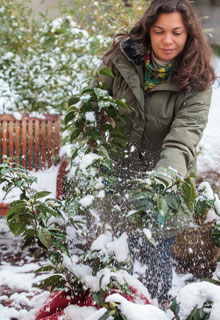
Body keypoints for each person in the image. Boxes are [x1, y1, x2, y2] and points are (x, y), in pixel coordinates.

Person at [93, 0, 216, 304]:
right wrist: (97, 153)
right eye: (159, 31)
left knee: (155, 260)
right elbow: (94, 106)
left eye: (177, 32)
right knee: (114, 260)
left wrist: (161, 183)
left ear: (189, 34)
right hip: (117, 177)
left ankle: (157, 308)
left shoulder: (197, 81)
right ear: (148, 30)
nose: (168, 40)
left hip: (164, 186)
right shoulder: (120, 61)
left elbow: (183, 138)